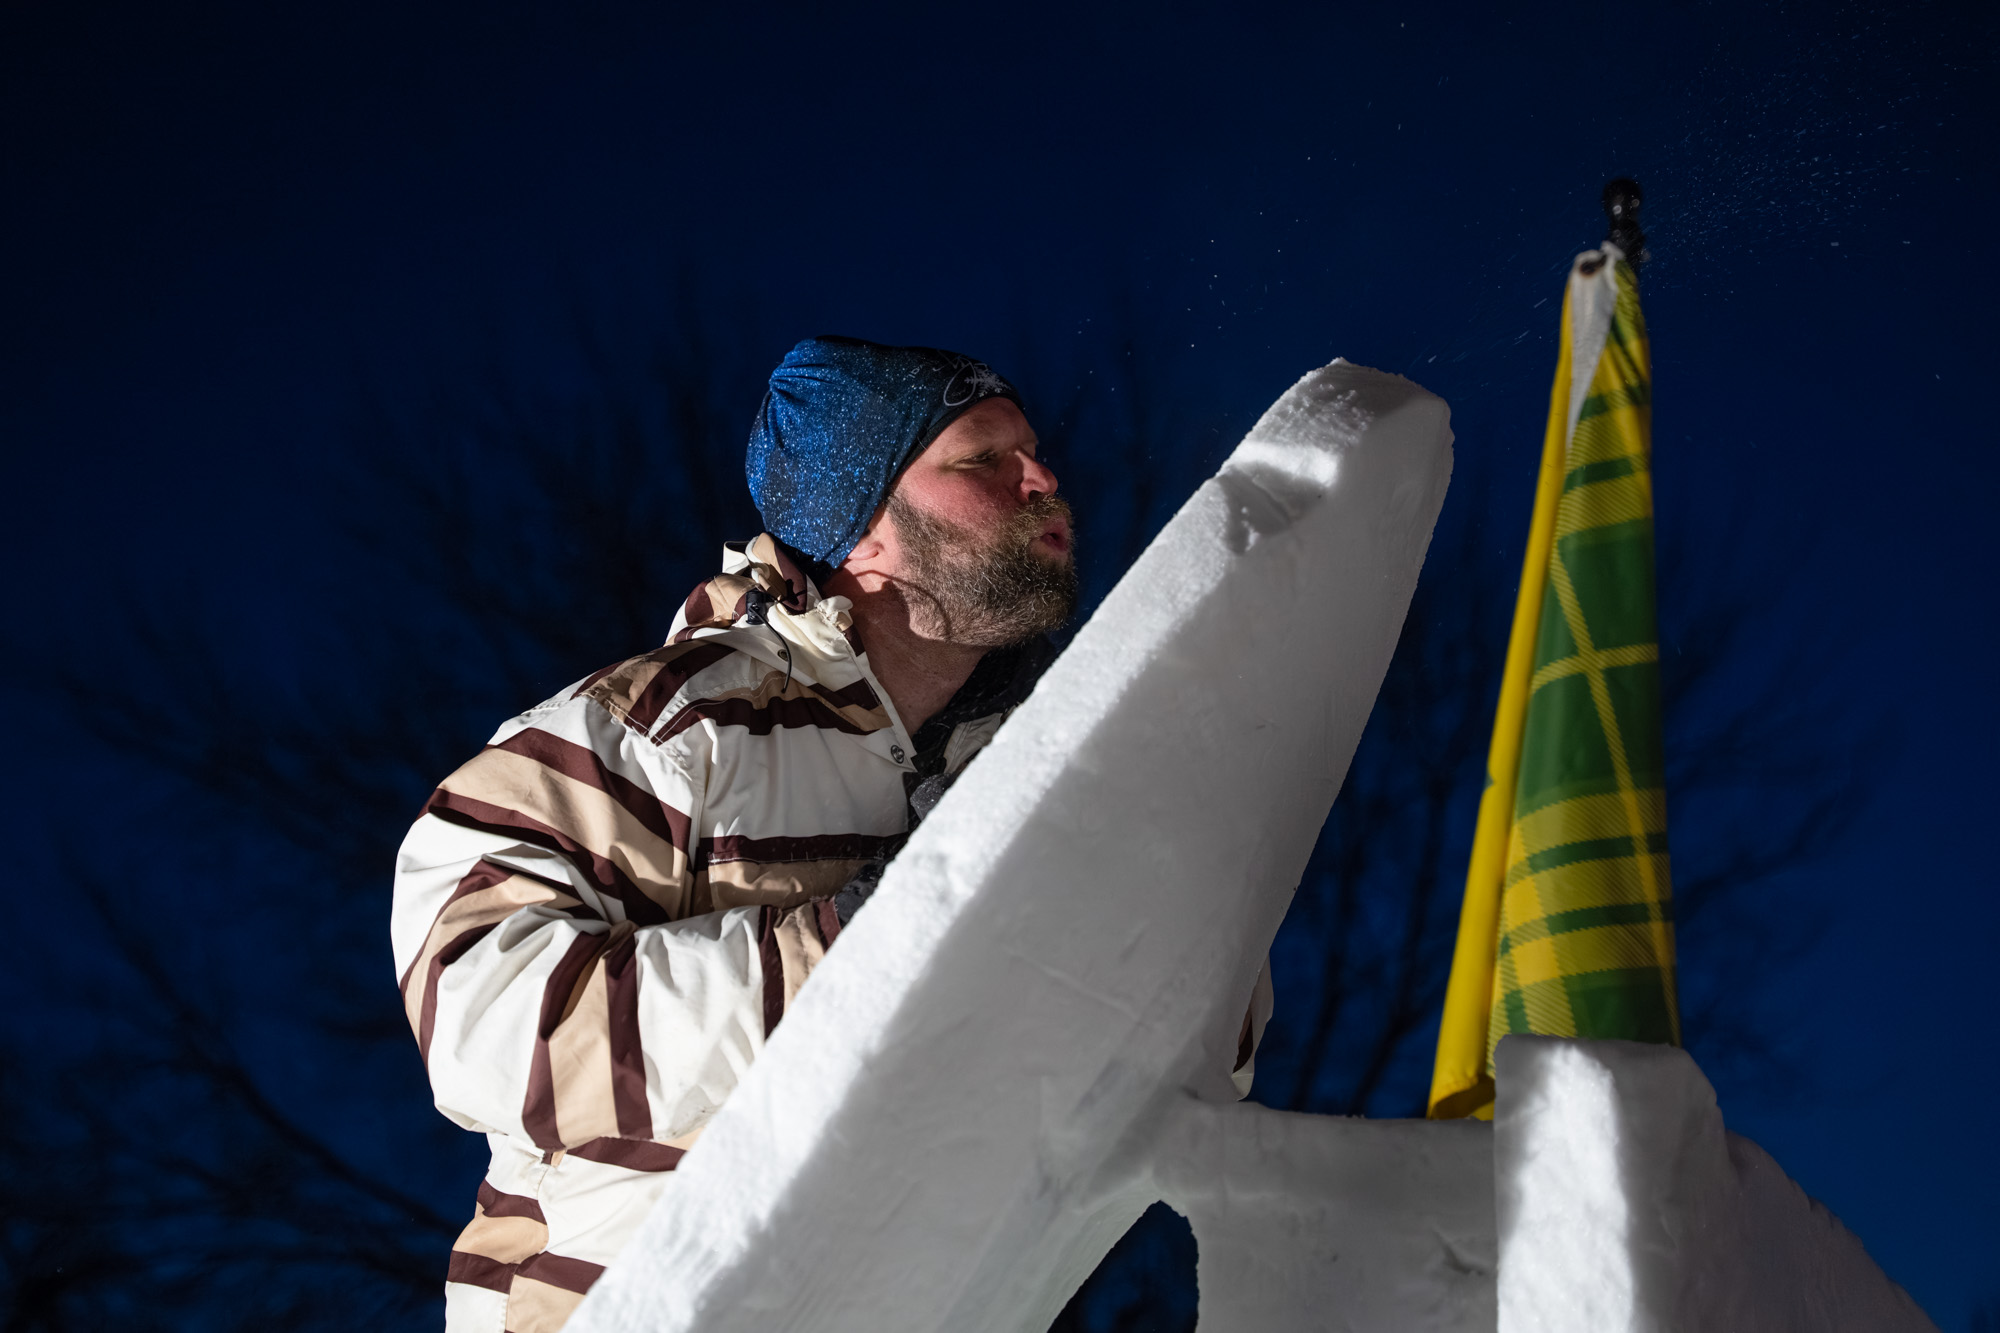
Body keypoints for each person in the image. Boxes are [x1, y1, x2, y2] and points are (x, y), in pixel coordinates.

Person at [390, 336, 1262, 1333]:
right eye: (983, 458)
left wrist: (1175, 920)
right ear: (864, 536)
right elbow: (481, 1015)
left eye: (1031, 451)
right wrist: (862, 947)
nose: (1040, 477)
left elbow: (1200, 1061)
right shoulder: (669, 728)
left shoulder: (1049, 760)